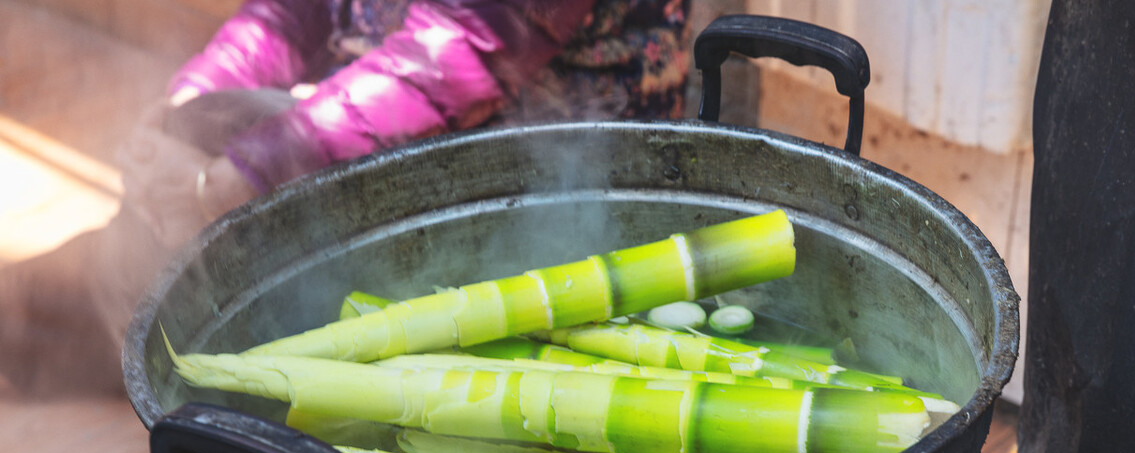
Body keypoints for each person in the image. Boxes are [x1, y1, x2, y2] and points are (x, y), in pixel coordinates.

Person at [0, 0, 692, 397]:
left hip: (539, 183)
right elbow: (294, 14)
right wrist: (188, 102)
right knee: (201, 150)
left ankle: (226, 409)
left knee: (241, 201)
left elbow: (450, 62)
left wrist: (236, 178)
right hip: (385, 130)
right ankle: (158, 365)